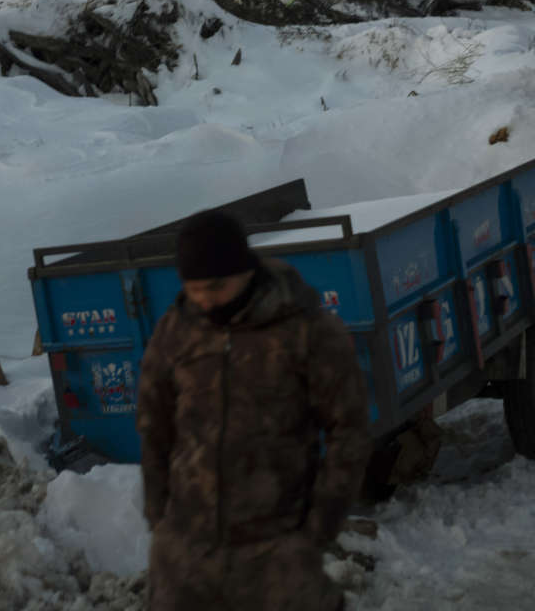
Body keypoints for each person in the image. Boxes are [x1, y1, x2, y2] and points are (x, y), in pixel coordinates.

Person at [137, 209, 370, 611]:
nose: (205, 300)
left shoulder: (306, 330)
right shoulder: (176, 332)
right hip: (187, 555)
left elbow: (348, 430)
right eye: (194, 289)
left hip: (276, 552)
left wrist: (318, 527)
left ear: (245, 271)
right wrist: (161, 520)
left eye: (216, 286)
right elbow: (153, 425)